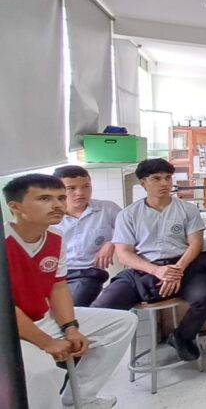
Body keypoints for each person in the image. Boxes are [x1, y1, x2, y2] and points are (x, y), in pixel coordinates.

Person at [5, 174, 137, 409]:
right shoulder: (5, 242)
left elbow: (57, 287)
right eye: (44, 198)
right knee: (42, 372)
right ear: (15, 206)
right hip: (9, 329)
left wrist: (71, 328)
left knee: (122, 323)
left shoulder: (55, 238)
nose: (57, 205)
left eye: (60, 198)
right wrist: (46, 342)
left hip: (42, 317)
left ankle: (80, 399)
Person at [92, 159, 206, 363]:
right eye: (156, 179)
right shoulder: (129, 214)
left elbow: (195, 245)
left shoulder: (187, 210)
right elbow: (124, 254)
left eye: (168, 178)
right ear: (143, 183)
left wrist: (177, 269)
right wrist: (156, 271)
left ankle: (182, 337)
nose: (164, 183)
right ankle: (91, 358)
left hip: (182, 265)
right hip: (142, 269)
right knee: (104, 306)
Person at [52, 165, 122, 307]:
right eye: (71, 188)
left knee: (72, 309)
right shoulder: (50, 216)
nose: (80, 193)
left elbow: (132, 229)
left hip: (88, 274)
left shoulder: (107, 209)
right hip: (55, 275)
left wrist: (112, 242)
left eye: (86, 186)